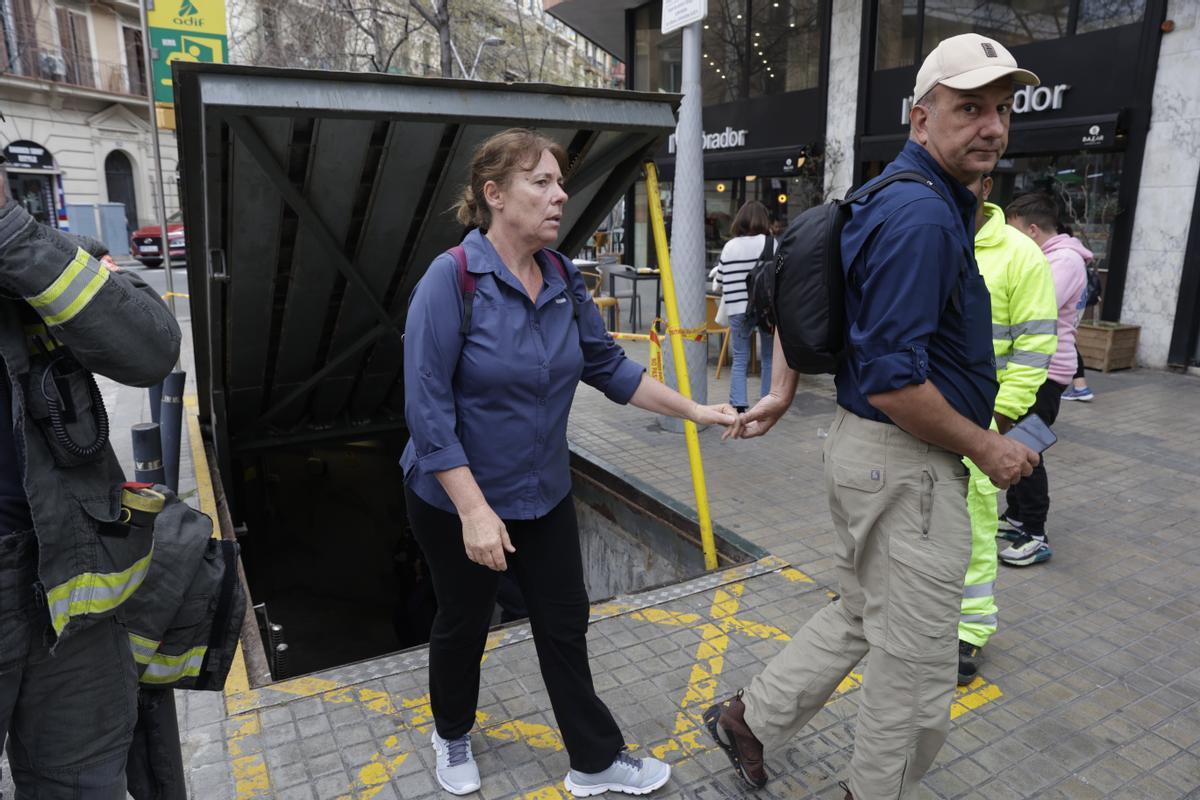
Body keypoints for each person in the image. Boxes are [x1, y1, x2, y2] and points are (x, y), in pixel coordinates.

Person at [703, 34, 1041, 799]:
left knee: (862, 613)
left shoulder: (889, 196)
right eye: (968, 109)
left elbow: (810, 288)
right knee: (916, 667)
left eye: (1000, 109)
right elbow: (892, 380)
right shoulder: (923, 217)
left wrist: (785, 389)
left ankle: (749, 721)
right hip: (906, 463)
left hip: (871, 456)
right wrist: (985, 448)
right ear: (922, 119)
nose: (990, 125)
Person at [401, 128, 735, 797]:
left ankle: (595, 761)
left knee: (564, 622)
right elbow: (428, 411)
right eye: (543, 182)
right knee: (464, 622)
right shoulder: (453, 280)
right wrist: (473, 511)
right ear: (495, 195)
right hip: (456, 500)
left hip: (544, 492)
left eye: (561, 182)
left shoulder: (559, 277)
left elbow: (608, 368)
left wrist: (698, 412)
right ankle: (453, 731)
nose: (561, 196)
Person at [0, 173, 181, 793]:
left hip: (65, 590)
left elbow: (152, 349)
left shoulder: (39, 251)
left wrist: (13, 237)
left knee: (83, 783)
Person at [957, 174, 1058, 685]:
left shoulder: (1020, 254)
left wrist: (995, 423)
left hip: (980, 421)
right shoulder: (929, 236)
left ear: (986, 187)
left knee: (975, 529)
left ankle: (968, 634)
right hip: (924, 418)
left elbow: (1034, 347)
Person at [999, 193, 1090, 566]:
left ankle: (1035, 534)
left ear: (1032, 229)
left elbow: (1035, 303)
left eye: (1014, 230)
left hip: (1047, 373)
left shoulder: (1063, 261)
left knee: (1026, 450)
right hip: (1038, 369)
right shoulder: (1051, 257)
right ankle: (1018, 515)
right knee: (1017, 442)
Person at [711, 200, 774, 412]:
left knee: (739, 358)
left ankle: (738, 405)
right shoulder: (771, 244)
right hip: (766, 309)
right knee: (768, 357)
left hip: (738, 308)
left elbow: (719, 280)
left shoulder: (730, 246)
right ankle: (766, 403)